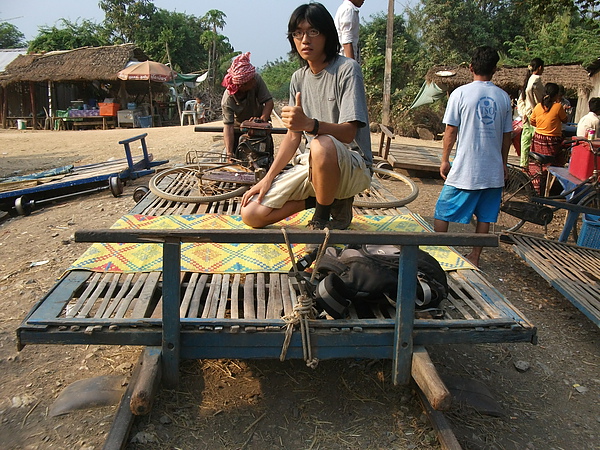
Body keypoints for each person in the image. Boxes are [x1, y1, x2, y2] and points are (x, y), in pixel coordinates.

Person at [240, 2, 372, 233]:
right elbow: (293, 137)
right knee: (251, 214)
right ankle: (327, 201)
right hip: (312, 164)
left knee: (321, 143)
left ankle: (320, 219)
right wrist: (268, 178)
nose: (305, 40)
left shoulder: (347, 69)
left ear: (327, 35)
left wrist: (310, 125)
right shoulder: (298, 78)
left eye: (313, 32)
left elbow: (350, 133)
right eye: (297, 33)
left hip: (352, 167)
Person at [433, 46, 513, 268]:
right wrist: (503, 164)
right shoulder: (504, 98)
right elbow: (507, 137)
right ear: (495, 69)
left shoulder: (460, 94)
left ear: (470, 67)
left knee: (443, 210)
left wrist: (444, 159)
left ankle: (440, 254)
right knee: (485, 217)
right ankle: (475, 257)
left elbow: (451, 131)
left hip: (466, 168)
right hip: (492, 169)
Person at [221, 52, 274, 162]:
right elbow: (228, 126)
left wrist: (261, 122)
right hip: (237, 129)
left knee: (265, 158)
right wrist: (229, 153)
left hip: (259, 131)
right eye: (251, 81)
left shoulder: (256, 79)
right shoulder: (228, 99)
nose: (254, 82)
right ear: (242, 85)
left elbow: (269, 102)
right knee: (239, 160)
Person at [529, 82, 568, 193]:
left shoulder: (537, 107)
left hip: (538, 140)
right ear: (556, 95)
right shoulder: (558, 107)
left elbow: (532, 121)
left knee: (537, 164)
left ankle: (536, 187)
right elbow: (565, 120)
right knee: (559, 161)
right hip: (553, 142)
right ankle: (552, 188)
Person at [518, 58, 545, 167]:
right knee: (536, 140)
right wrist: (535, 105)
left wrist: (523, 112)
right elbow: (529, 90)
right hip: (535, 114)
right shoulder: (536, 79)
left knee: (526, 140)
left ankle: (524, 164)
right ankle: (535, 164)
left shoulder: (528, 79)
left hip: (527, 114)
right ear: (540, 68)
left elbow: (521, 100)